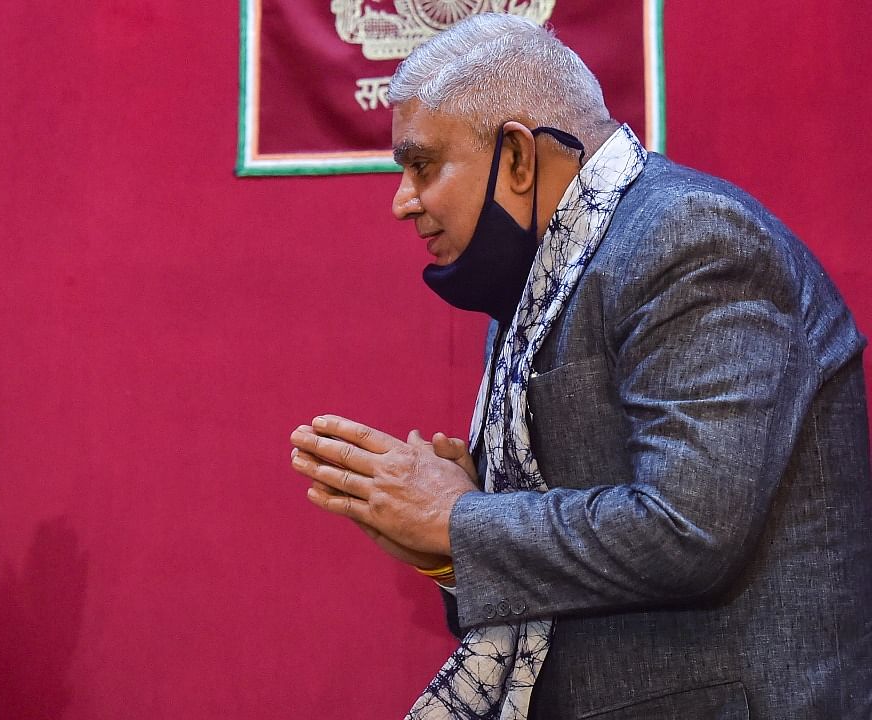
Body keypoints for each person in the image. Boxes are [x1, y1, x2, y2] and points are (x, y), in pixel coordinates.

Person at [288, 13, 871, 720]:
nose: (402, 201)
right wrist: (448, 546)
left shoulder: (689, 239)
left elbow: (688, 530)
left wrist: (459, 522)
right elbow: (571, 572)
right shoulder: (539, 285)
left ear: (518, 157)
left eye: (422, 165)